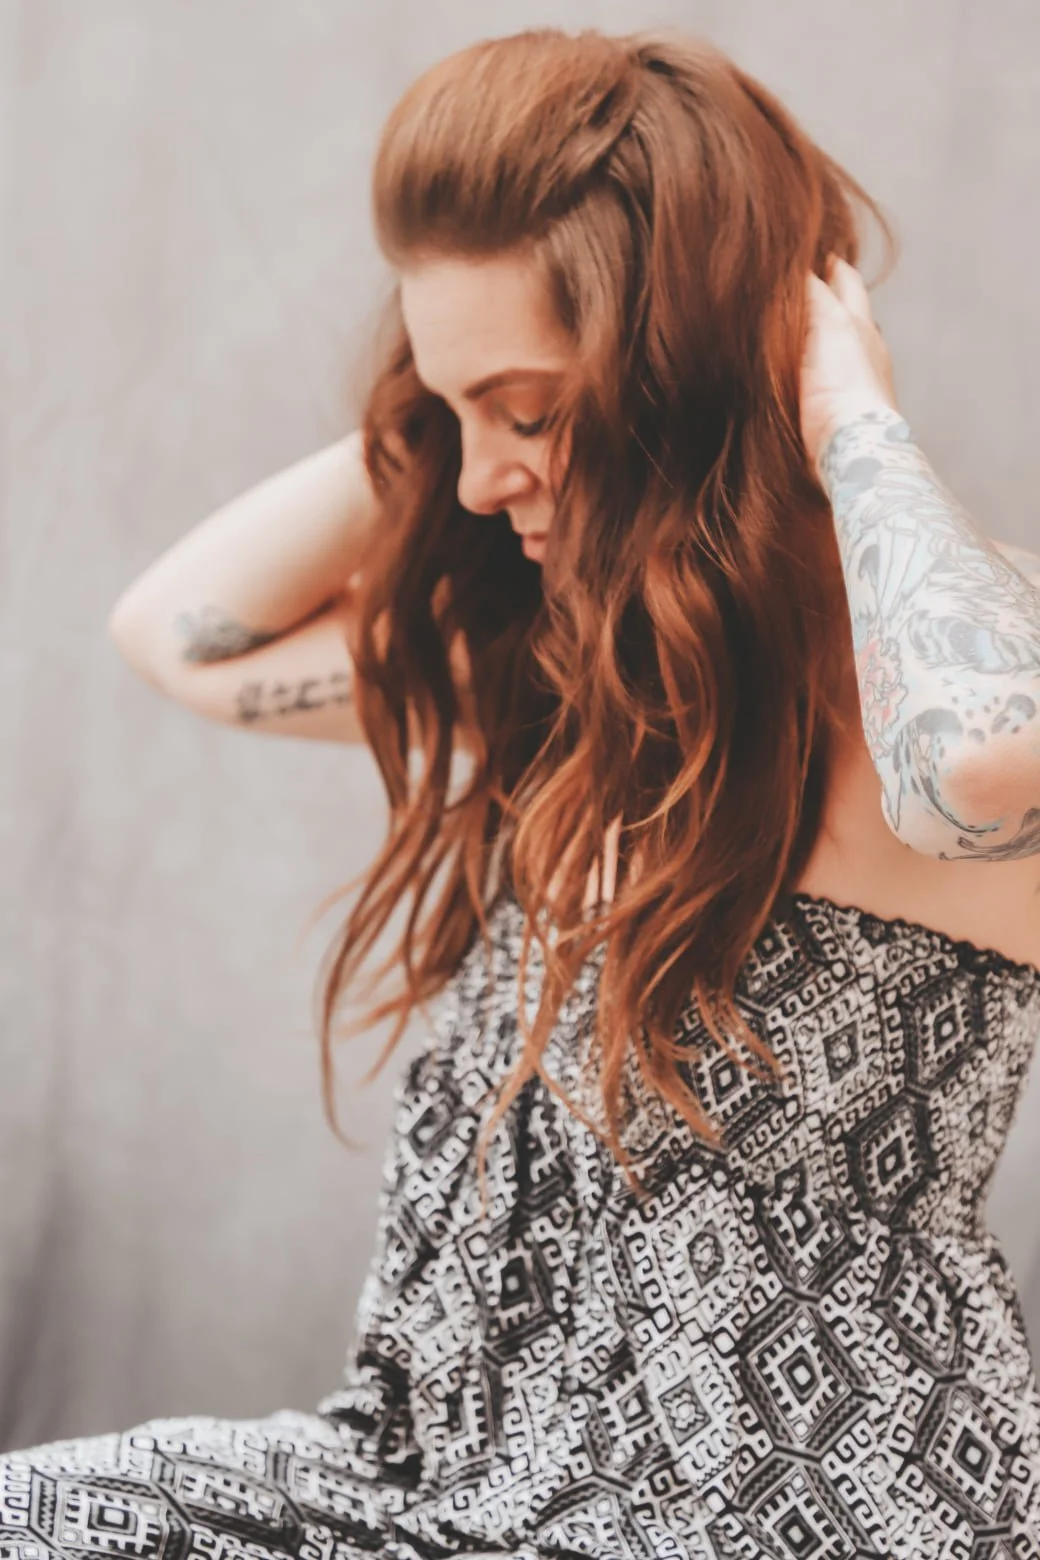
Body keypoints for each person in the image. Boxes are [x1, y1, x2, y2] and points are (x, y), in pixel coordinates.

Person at [5, 23, 1040, 1560]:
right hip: (441, 1491)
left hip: (790, 1519)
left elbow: (977, 771)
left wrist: (844, 411)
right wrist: (454, 401)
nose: (483, 480)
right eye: (453, 413)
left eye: (533, 411)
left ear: (698, 370)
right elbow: (181, 635)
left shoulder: (936, 690)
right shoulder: (572, 695)